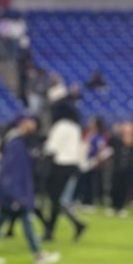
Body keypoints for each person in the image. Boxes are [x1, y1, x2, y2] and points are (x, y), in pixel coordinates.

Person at [0, 114, 60, 264]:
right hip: (15, 192)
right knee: (26, 222)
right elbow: (14, 172)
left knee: (1, 222)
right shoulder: (16, 144)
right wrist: (17, 195)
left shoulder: (20, 143)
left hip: (13, 191)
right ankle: (38, 255)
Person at [41, 99, 87, 243]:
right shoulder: (76, 127)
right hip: (72, 165)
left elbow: (51, 148)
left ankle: (50, 230)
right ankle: (74, 224)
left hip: (59, 165)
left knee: (53, 199)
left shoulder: (60, 126)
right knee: (57, 199)